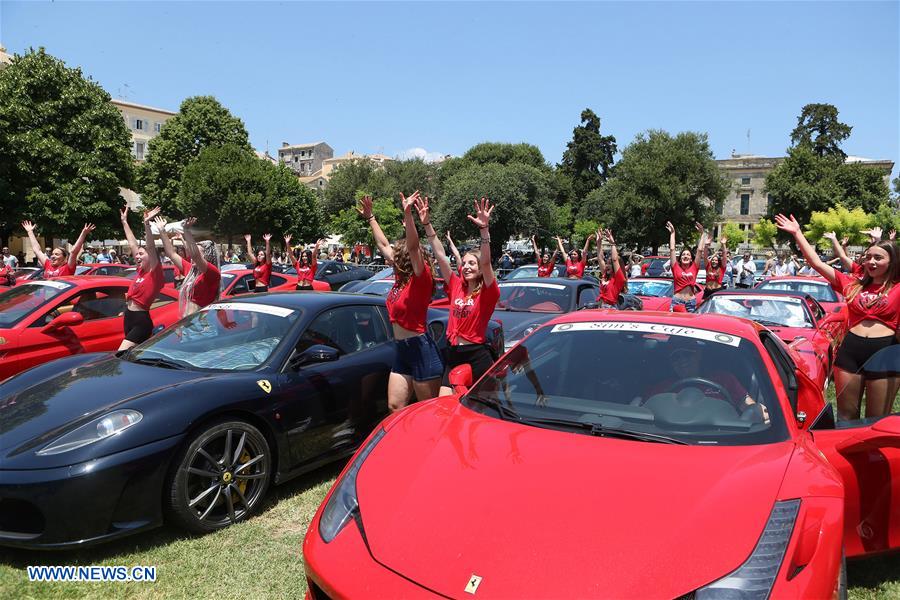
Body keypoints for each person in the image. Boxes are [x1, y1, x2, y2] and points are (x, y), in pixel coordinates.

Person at [776, 214, 900, 420]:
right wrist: (797, 233)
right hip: (851, 351)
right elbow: (815, 263)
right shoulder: (851, 283)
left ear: (892, 262)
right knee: (846, 416)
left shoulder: (897, 287)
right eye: (868, 257)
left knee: (876, 418)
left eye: (878, 258)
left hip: (885, 352)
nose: (871, 262)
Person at [359, 193, 443, 410]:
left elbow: (414, 246)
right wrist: (371, 218)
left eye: (396, 252)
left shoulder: (420, 278)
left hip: (420, 349)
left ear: (404, 257)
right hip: (402, 349)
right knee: (395, 406)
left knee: (428, 411)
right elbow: (382, 243)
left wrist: (408, 214)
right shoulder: (400, 280)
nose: (391, 253)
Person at [418, 195, 500, 397]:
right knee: (444, 406)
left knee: (480, 411)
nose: (466, 267)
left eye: (472, 263)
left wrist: (484, 230)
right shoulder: (456, 285)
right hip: (453, 353)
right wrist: (427, 224)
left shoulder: (489, 291)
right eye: (464, 263)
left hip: (477, 356)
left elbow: (488, 262)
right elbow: (440, 255)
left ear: (480, 268)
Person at [153, 216, 221, 316]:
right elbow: (171, 254)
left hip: (203, 325)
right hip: (189, 322)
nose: (191, 256)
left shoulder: (212, 273)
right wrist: (162, 231)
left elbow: (196, 256)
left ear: (207, 256)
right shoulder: (191, 271)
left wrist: (186, 231)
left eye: (198, 253)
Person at [119, 204, 164, 350]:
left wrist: (147, 224)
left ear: (151, 257)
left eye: (141, 254)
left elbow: (150, 247)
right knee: (132, 357)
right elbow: (132, 243)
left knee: (120, 354)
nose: (137, 256)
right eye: (137, 254)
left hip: (141, 321)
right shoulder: (140, 271)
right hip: (129, 317)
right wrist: (124, 222)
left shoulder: (155, 272)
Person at [22, 220, 94, 279]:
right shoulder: (48, 264)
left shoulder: (68, 267)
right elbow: (37, 250)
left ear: (64, 257)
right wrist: (30, 232)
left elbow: (74, 252)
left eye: (56, 254)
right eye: (52, 254)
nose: (52, 256)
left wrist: (83, 233)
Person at [665, 221, 707, 312]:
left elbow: (699, 250)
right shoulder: (675, 267)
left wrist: (703, 234)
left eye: (688, 255)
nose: (685, 256)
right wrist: (672, 233)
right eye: (683, 255)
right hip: (677, 302)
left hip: (691, 302)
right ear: (680, 258)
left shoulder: (694, 268)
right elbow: (672, 249)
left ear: (691, 259)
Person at [596, 229, 626, 308]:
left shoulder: (618, 279)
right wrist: (599, 243)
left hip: (610, 308)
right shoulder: (605, 276)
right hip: (600, 306)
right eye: (607, 263)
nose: (606, 265)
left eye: (609, 264)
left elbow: (615, 259)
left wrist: (612, 243)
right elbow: (600, 259)